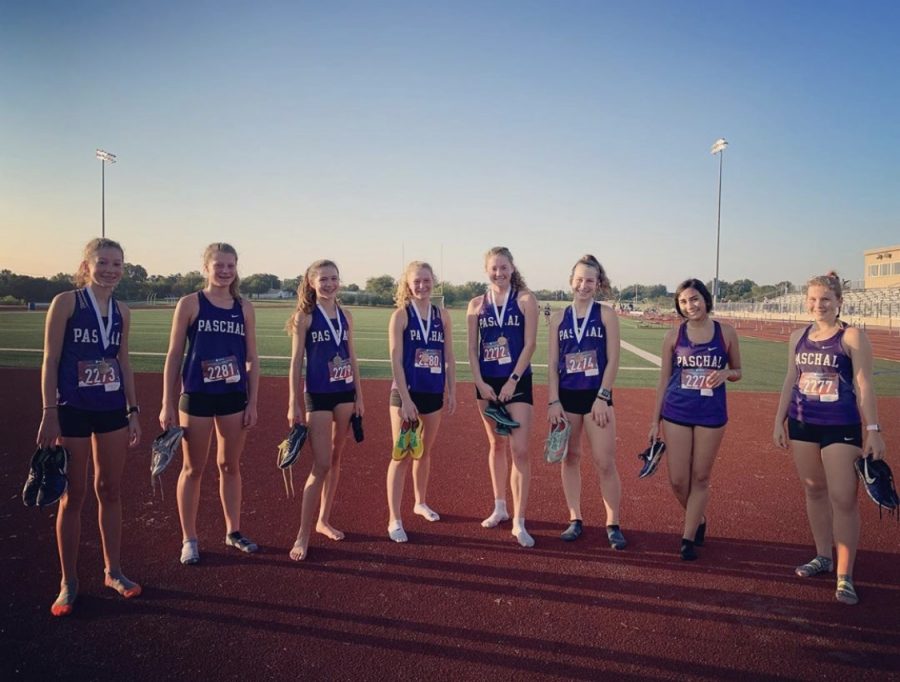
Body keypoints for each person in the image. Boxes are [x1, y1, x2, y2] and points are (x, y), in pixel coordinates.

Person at [36, 238, 142, 616]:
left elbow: (124, 362)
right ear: (87, 264)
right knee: (74, 494)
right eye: (103, 262)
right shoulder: (66, 302)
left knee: (110, 489)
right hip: (72, 408)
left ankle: (113, 571)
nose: (110, 269)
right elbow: (50, 360)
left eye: (117, 263)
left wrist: (133, 410)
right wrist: (49, 411)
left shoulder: (123, 310)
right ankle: (69, 580)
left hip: (111, 407)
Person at [773, 272, 886, 605]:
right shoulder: (797, 336)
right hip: (803, 422)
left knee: (843, 499)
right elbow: (790, 379)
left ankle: (844, 574)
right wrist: (779, 420)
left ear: (839, 302)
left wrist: (873, 430)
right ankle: (823, 556)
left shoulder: (851, 337)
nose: (817, 305)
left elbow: (864, 384)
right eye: (812, 299)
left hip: (840, 424)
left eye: (825, 299)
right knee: (814, 490)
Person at [160, 243, 260, 565]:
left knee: (230, 466)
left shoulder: (243, 307)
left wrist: (253, 402)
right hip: (197, 396)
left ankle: (233, 531)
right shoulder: (190, 304)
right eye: (219, 265)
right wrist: (167, 402)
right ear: (205, 267)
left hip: (233, 396)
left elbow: (252, 358)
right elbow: (174, 355)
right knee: (193, 469)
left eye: (231, 266)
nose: (225, 271)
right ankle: (189, 538)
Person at [648, 279, 742, 560]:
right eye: (684, 301)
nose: (691, 305)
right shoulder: (673, 336)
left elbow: (738, 370)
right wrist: (655, 421)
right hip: (676, 411)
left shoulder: (725, 332)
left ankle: (687, 538)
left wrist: (725, 374)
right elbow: (664, 380)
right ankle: (698, 518)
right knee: (678, 480)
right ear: (679, 305)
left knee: (700, 476)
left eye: (695, 299)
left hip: (711, 414)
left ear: (706, 299)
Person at [286, 259, 364, 560]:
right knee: (320, 465)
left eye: (334, 278)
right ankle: (302, 535)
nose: (330, 284)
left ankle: (323, 521)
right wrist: (292, 401)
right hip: (317, 396)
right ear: (311, 282)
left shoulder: (346, 315)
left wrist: (359, 396)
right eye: (323, 279)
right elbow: (295, 363)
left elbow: (352, 356)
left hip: (344, 394)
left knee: (335, 460)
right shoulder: (304, 316)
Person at [547, 255, 626, 549]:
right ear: (571, 281)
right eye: (579, 279)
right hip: (566, 398)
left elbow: (614, 359)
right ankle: (574, 518)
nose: (583, 285)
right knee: (570, 458)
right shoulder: (557, 318)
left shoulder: (605, 315)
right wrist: (553, 401)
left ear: (598, 283)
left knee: (605, 462)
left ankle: (613, 523)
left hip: (597, 398)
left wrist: (603, 396)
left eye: (590, 280)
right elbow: (553, 362)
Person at [467, 246, 539, 547]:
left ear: (512, 268)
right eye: (494, 268)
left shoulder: (525, 299)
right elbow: (472, 349)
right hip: (486, 383)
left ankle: (519, 521)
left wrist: (512, 380)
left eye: (504, 267)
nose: (499, 272)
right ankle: (500, 507)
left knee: (519, 449)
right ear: (487, 269)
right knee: (496, 444)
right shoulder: (475, 304)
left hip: (517, 380)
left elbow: (530, 344)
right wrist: (480, 383)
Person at [386, 261, 457, 542]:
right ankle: (394, 518)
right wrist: (405, 399)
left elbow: (449, 356)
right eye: (416, 281)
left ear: (433, 282)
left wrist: (451, 389)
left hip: (433, 393)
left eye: (426, 281)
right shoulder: (401, 315)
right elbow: (395, 359)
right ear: (407, 284)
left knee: (424, 452)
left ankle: (420, 502)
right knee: (401, 456)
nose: (422, 286)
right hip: (406, 394)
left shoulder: (443, 315)